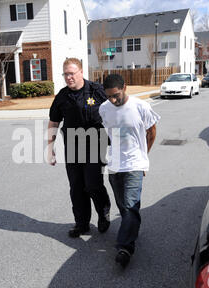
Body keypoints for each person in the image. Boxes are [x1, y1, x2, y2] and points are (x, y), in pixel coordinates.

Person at [99, 74, 160, 268]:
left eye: (116, 95)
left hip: (135, 164)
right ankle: (131, 230)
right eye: (109, 96)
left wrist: (143, 158)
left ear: (125, 87)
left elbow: (152, 132)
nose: (113, 100)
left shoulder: (141, 106)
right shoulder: (103, 109)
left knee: (131, 204)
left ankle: (125, 247)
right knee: (123, 206)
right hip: (115, 165)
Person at [47, 58, 111, 238]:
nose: (68, 77)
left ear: (81, 72)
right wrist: (50, 147)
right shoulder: (62, 96)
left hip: (95, 144)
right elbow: (54, 121)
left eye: (72, 73)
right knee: (76, 187)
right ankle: (82, 223)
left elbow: (114, 112)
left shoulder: (96, 91)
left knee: (92, 183)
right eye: (65, 74)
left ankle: (103, 212)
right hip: (73, 146)